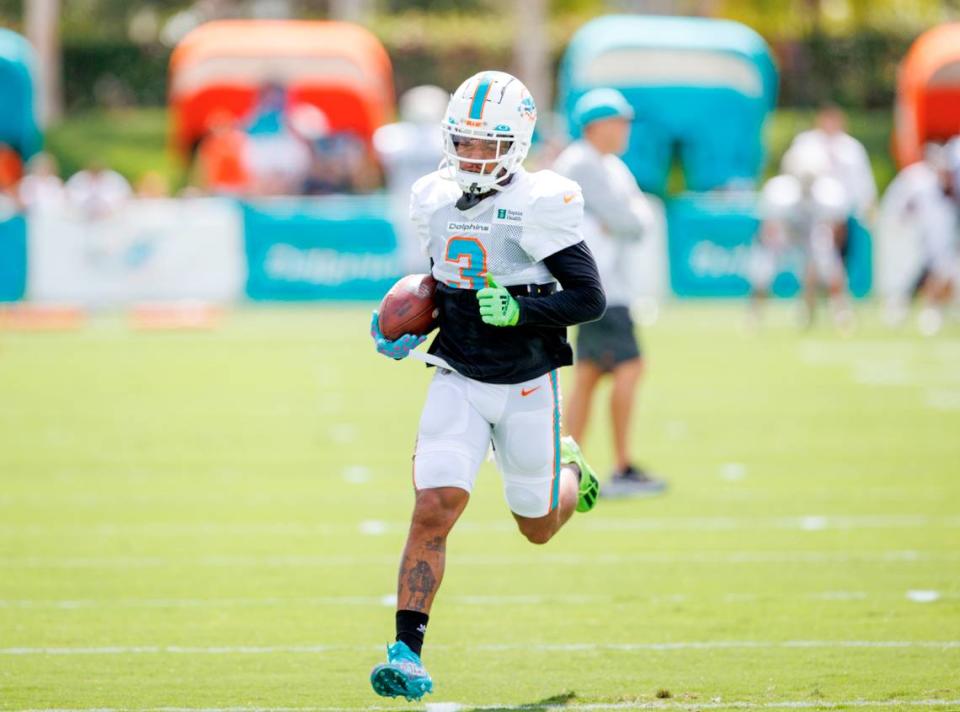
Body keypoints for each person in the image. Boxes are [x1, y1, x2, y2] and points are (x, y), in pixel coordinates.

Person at [367, 70, 606, 702]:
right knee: (434, 506)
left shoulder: (541, 200)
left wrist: (523, 311)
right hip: (458, 373)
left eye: (486, 143)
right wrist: (408, 324)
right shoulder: (431, 195)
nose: (472, 155)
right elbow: (443, 280)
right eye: (464, 141)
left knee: (537, 526)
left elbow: (590, 298)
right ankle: (406, 652)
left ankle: (571, 472)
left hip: (528, 382)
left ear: (518, 141)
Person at [552, 89, 665, 498]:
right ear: (597, 125)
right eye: (620, 121)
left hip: (601, 284)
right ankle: (619, 466)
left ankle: (566, 465)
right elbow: (631, 220)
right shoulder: (583, 162)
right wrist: (626, 218)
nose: (625, 130)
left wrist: (627, 218)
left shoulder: (605, 164)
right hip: (601, 286)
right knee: (629, 368)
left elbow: (634, 220)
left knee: (590, 374)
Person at [753, 143, 850, 328]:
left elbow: (837, 228)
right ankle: (755, 314)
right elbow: (769, 229)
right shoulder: (780, 192)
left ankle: (839, 312)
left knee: (829, 264)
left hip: (814, 232)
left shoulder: (829, 193)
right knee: (764, 268)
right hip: (785, 232)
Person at [374, 85, 449, 271]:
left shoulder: (446, 138)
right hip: (405, 199)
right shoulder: (393, 137)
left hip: (441, 203)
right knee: (411, 255)